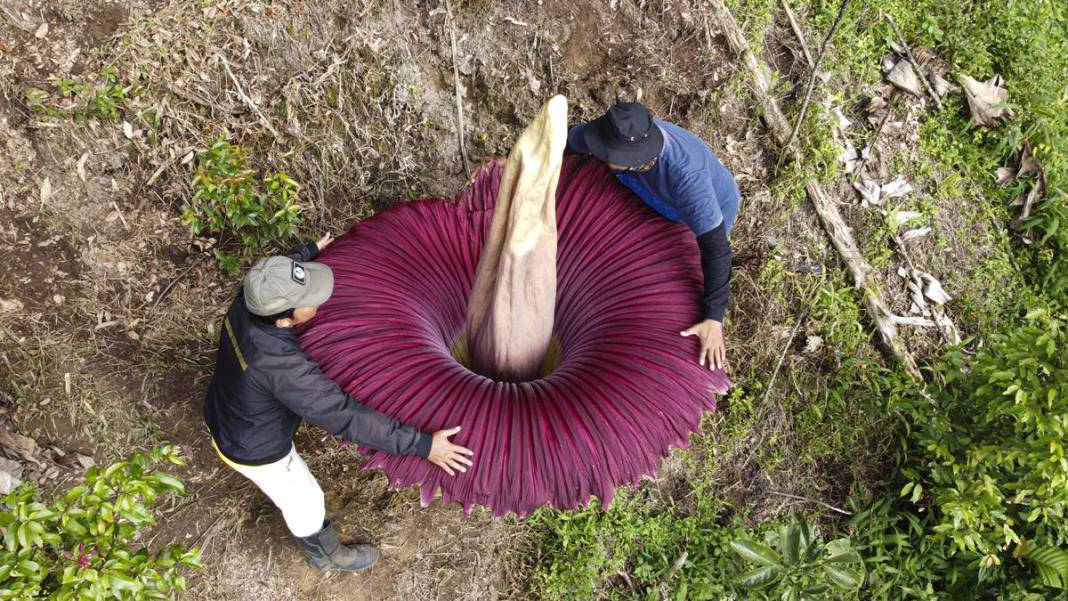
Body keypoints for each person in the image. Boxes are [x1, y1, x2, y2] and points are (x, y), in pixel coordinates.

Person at [202, 233, 473, 573]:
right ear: (285, 318)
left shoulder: (249, 301)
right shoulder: (282, 368)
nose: (317, 300)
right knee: (306, 502)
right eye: (309, 298)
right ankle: (325, 556)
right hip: (253, 447)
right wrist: (421, 444)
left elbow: (270, 275)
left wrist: (308, 252)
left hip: (222, 407)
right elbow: (345, 416)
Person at [565, 102, 739, 370]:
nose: (599, 152)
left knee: (682, 248)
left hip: (702, 207)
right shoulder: (615, 133)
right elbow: (567, 143)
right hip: (651, 189)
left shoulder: (687, 182)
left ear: (633, 156)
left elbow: (717, 250)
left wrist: (714, 317)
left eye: (607, 152)